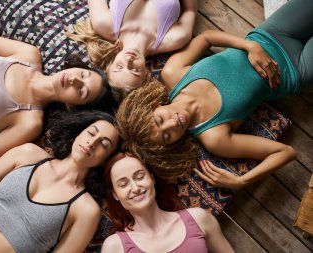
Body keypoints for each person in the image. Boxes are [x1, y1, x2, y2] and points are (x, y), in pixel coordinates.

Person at [115, 0, 313, 188]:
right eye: (167, 136)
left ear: (153, 106)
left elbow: (206, 38)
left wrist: (249, 46)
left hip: (270, 34)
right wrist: (240, 181)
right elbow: (285, 152)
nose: (173, 123)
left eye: (159, 120)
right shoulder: (214, 137)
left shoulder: (173, 73)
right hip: (295, 70)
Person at [0, 110, 119, 253]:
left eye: (104, 144)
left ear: (105, 160)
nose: (92, 142)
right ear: (78, 133)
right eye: (91, 132)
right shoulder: (28, 154)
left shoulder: (86, 210)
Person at [0, 31, 115, 173]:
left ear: (73, 106)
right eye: (83, 74)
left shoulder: (30, 121)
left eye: (81, 90)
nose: (75, 80)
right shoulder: (28, 55)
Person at [101, 153, 234, 253]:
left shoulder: (199, 219)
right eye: (123, 184)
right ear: (115, 195)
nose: (135, 188)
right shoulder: (115, 247)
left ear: (152, 179)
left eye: (140, 176)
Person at [68, 0, 197, 99]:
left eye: (119, 66)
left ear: (109, 65)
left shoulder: (102, 24)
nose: (128, 60)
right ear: (146, 74)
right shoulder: (176, 39)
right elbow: (190, 10)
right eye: (134, 70)